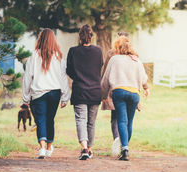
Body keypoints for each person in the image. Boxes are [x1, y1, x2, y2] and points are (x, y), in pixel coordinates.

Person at [22, 28, 70, 159]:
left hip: (38, 93)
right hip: (55, 93)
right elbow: (63, 78)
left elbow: (27, 77)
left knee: (41, 120)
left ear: (40, 40)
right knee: (50, 120)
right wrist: (65, 97)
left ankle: (42, 148)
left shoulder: (33, 56)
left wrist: (25, 97)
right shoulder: (58, 57)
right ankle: (49, 147)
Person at [101, 36, 150, 161]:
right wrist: (146, 88)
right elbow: (144, 78)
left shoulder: (114, 59)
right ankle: (125, 147)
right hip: (134, 94)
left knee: (121, 121)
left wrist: (103, 95)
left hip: (119, 92)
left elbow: (105, 79)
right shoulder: (136, 60)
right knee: (129, 121)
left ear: (117, 47)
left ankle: (124, 149)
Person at [67, 24, 103, 160]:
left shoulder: (73, 51)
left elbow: (69, 71)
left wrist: (78, 76)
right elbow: (99, 66)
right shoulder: (98, 51)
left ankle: (83, 147)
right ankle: (89, 149)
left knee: (81, 120)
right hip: (95, 91)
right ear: (92, 37)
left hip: (79, 91)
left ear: (79, 37)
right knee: (91, 122)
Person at [101, 32, 129, 157]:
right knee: (125, 118)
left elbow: (105, 72)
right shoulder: (132, 54)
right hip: (128, 89)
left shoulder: (111, 54)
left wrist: (104, 92)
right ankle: (123, 144)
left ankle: (117, 141)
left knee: (115, 118)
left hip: (114, 89)